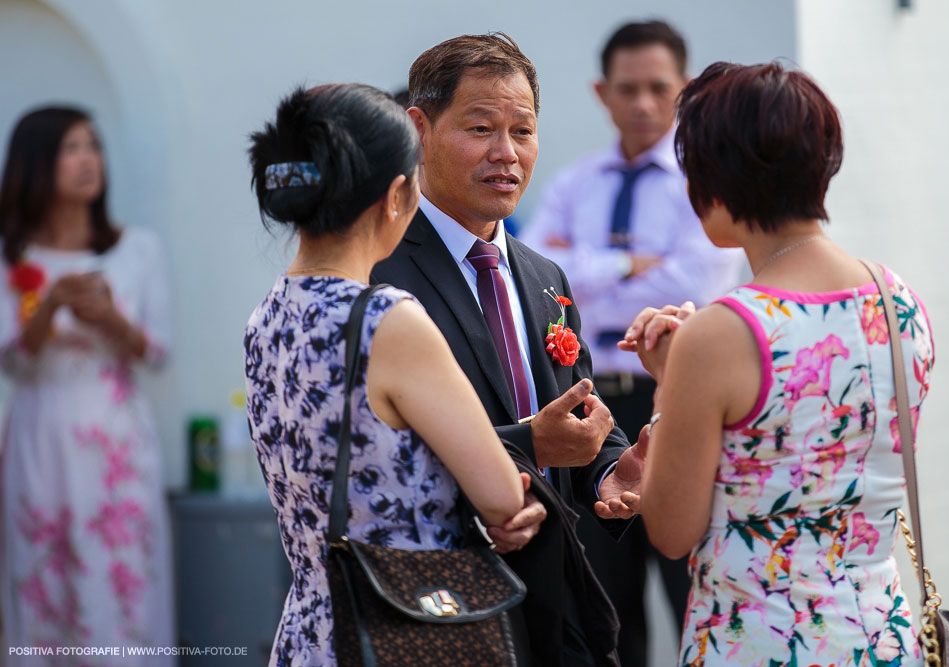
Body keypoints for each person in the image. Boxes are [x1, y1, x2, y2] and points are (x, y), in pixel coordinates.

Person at [632, 62, 934, 666]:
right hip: (884, 637)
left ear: (715, 178)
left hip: (761, 642)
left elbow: (670, 529)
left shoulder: (720, 333)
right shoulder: (898, 299)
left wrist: (670, 383)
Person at [372, 33, 645, 665]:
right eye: (480, 128)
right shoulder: (380, 273)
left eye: (522, 132)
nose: (506, 154)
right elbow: (378, 451)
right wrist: (526, 447)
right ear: (420, 129)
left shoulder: (545, 275)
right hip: (436, 592)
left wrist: (613, 468)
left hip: (555, 587)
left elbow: (573, 416)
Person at [244, 83, 527, 666]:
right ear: (396, 195)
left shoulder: (266, 314)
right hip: (405, 626)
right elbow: (501, 496)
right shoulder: (386, 320)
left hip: (311, 628)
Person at [522, 21, 744, 662]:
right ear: (602, 92)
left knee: (693, 596)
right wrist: (634, 265)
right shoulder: (572, 184)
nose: (643, 103)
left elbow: (694, 279)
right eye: (628, 88)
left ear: (684, 90)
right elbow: (545, 285)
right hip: (589, 416)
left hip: (680, 401)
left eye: (658, 88)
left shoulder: (701, 182)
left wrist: (588, 268)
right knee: (607, 617)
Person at [0, 107, 175, 658]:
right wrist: (48, 306)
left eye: (93, 147)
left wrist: (110, 320)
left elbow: (158, 353)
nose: (87, 160)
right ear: (35, 162)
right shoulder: (12, 258)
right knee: (40, 577)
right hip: (38, 433)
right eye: (71, 148)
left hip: (115, 438)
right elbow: (12, 361)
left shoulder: (137, 250)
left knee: (119, 578)